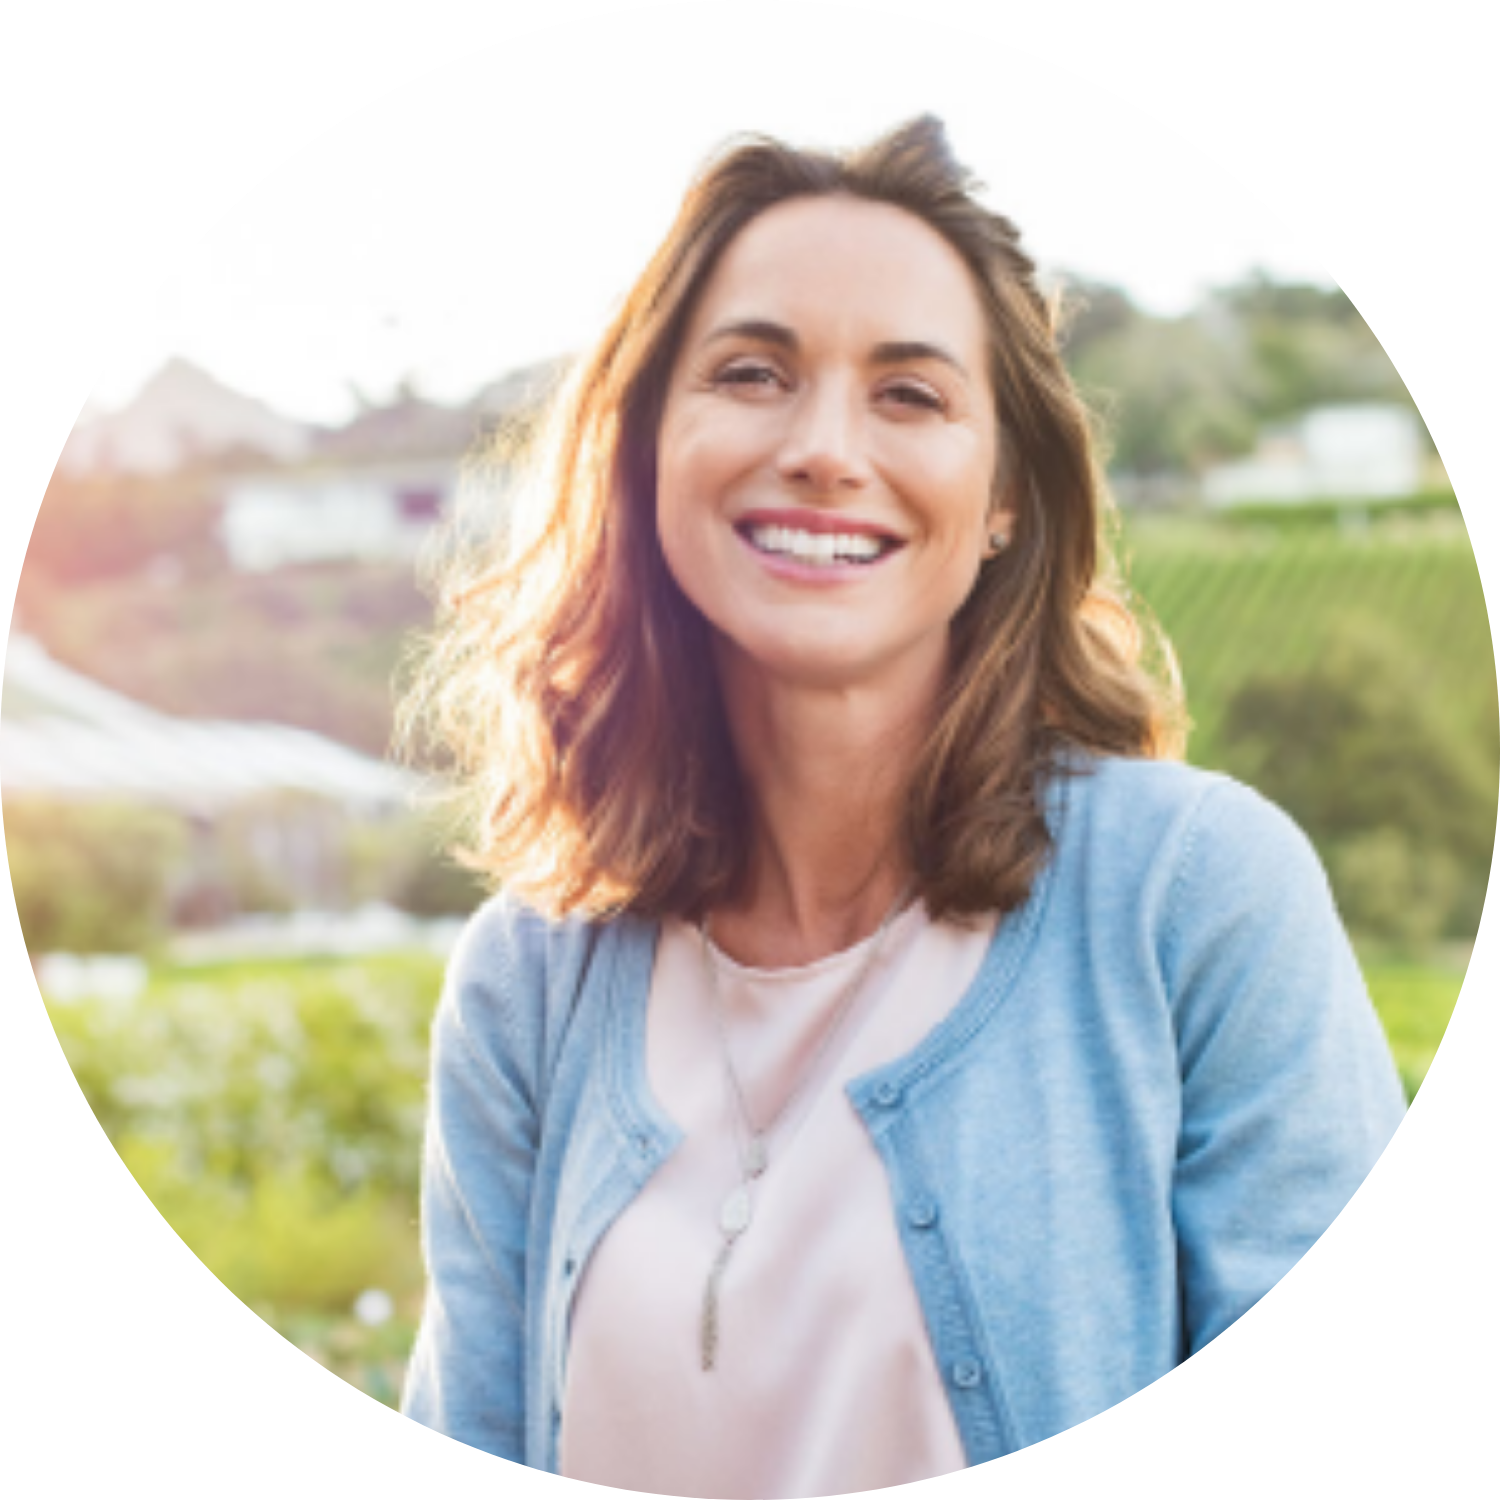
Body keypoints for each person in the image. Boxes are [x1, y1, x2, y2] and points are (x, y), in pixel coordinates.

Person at [397, 117, 1405, 1485]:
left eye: (911, 395)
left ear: (1002, 499)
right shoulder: (530, 983)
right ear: (648, 450)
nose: (822, 448)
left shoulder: (1195, 899)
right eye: (752, 374)